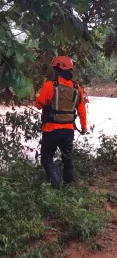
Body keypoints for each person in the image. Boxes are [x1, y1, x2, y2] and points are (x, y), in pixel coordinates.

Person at [35, 56, 87, 188]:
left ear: (57, 70)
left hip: (51, 130)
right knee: (68, 159)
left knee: (46, 159)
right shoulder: (77, 89)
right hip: (68, 130)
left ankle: (56, 184)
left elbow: (39, 105)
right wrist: (84, 127)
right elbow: (81, 111)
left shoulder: (49, 86)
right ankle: (68, 187)